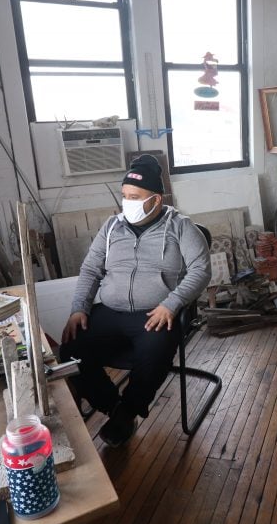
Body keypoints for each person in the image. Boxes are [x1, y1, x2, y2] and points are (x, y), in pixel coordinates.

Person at [60, 155, 211, 447]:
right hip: (111, 311)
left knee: (154, 353)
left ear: (155, 200)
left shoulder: (181, 226)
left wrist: (172, 302)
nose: (127, 202)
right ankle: (114, 407)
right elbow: (91, 269)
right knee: (71, 348)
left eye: (135, 197)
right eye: (125, 196)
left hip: (155, 314)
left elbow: (201, 270)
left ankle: (128, 412)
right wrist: (79, 308)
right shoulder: (112, 227)